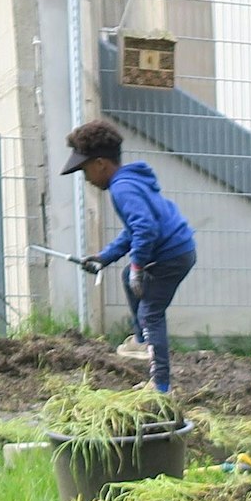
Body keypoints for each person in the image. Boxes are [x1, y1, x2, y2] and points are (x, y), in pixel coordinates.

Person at [61, 119, 198, 393]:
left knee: (151, 312)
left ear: (100, 164)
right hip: (178, 248)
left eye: (85, 170)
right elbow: (134, 230)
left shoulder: (122, 188)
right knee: (128, 278)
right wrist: (105, 257)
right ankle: (141, 338)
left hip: (171, 254)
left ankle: (161, 387)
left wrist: (137, 266)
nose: (86, 178)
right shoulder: (128, 181)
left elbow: (145, 228)